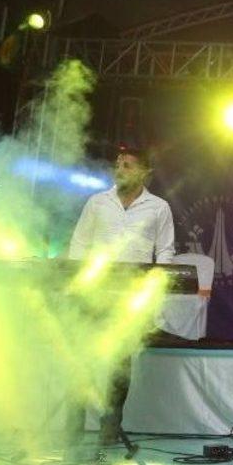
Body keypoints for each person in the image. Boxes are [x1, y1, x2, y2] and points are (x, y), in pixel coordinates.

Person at [68, 147, 175, 443]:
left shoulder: (158, 207)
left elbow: (165, 250)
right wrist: (76, 282)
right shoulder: (97, 202)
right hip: (94, 293)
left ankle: (110, 427)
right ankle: (72, 430)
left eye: (127, 165)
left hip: (130, 297)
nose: (119, 169)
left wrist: (156, 286)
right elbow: (79, 243)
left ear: (145, 173)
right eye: (117, 164)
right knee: (81, 358)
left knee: (120, 363)